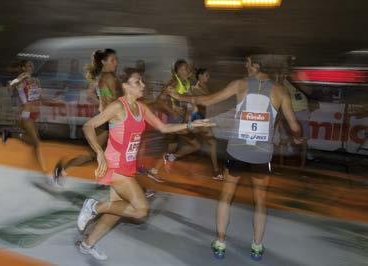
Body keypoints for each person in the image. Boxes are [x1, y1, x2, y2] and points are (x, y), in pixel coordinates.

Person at [171, 54, 303, 261]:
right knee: (260, 202)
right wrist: (298, 138)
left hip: (238, 151)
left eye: (248, 62)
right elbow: (294, 126)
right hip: (261, 155)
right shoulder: (280, 91)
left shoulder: (240, 84)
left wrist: (181, 98)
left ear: (256, 66)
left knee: (226, 196)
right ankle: (257, 247)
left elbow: (208, 99)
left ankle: (220, 243)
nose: (245, 65)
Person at [76, 68, 214, 260]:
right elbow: (88, 125)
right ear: (125, 86)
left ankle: (86, 244)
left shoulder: (141, 108)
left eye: (142, 81)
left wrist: (190, 126)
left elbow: (164, 127)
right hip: (115, 166)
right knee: (141, 210)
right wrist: (99, 152)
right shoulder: (118, 107)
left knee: (115, 211)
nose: (143, 85)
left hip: (128, 167)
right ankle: (93, 206)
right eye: (137, 82)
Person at [52, 49, 119, 179]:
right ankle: (63, 168)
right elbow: (110, 99)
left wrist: (101, 103)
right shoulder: (108, 77)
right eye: (113, 60)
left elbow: (93, 93)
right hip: (109, 120)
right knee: (93, 154)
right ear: (103, 62)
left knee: (100, 153)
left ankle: (64, 168)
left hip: (106, 118)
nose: (116, 63)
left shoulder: (102, 77)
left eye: (116, 60)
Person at [168, 68, 223, 180]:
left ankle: (171, 157)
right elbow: (185, 97)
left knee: (196, 146)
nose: (209, 77)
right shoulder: (194, 89)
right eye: (206, 75)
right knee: (212, 142)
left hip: (200, 119)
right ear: (200, 76)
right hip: (195, 119)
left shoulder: (206, 88)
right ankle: (216, 172)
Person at [2, 60, 46, 173]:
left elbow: (41, 98)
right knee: (36, 143)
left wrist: (55, 101)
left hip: (34, 114)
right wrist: (19, 79)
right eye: (28, 65)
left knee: (34, 143)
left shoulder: (36, 80)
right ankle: (40, 169)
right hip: (25, 114)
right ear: (23, 67)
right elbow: (10, 87)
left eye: (32, 65)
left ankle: (11, 135)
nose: (31, 67)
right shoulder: (21, 79)